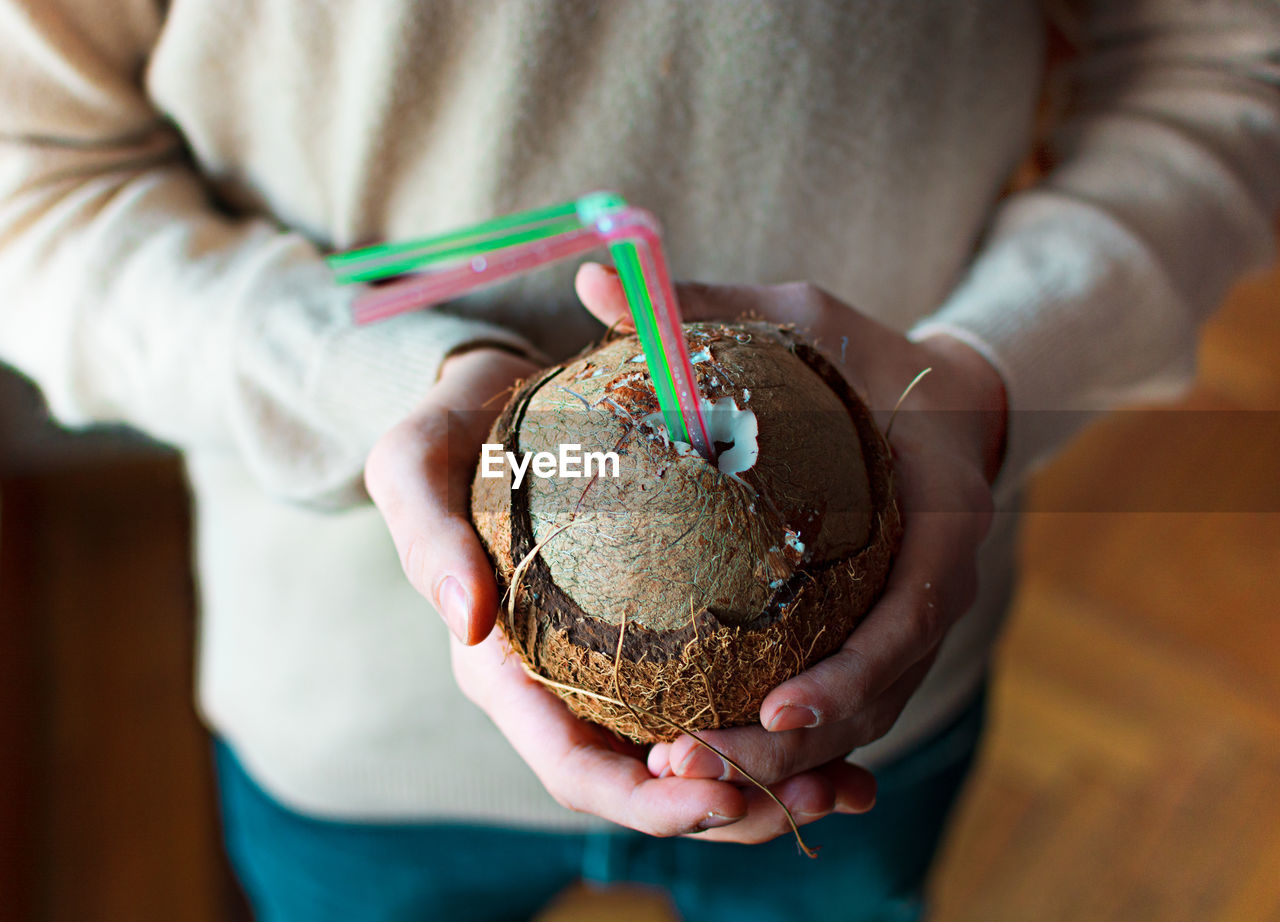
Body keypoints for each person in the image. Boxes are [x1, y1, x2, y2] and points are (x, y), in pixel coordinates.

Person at [1, 1, 1276, 919]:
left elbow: (1226, 59)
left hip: (871, 691)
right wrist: (364, 380)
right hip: (351, 719)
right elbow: (35, 185)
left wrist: (983, 377)